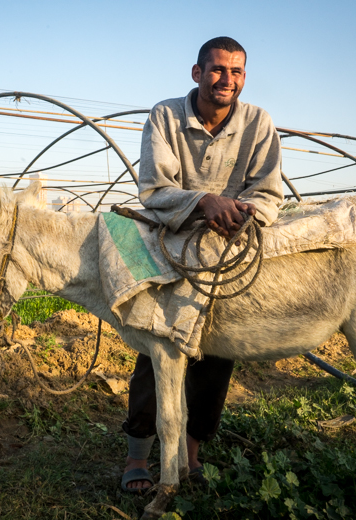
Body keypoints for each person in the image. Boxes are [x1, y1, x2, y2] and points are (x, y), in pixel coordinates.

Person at [121, 36, 284, 492]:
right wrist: (204, 201)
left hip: (228, 248)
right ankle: (138, 456)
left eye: (235, 72)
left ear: (244, 77)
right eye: (216, 70)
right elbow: (154, 190)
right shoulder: (165, 115)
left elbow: (268, 192)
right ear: (197, 73)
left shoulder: (259, 123)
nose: (225, 80)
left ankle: (191, 454)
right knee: (155, 348)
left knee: (215, 352)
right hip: (168, 247)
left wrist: (241, 212)